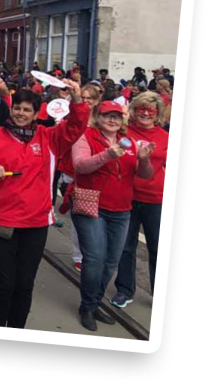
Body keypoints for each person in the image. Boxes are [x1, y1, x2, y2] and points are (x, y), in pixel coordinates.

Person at [0, 86, 90, 329]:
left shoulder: (49, 137)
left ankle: (16, 331)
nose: (20, 113)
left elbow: (77, 126)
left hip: (36, 223)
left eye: (27, 110)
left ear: (36, 114)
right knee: (4, 283)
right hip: (0, 220)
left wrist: (77, 99)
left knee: (24, 284)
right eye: (17, 108)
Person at [70, 97, 156, 331]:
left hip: (121, 209)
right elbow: (80, 165)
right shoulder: (85, 137)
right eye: (107, 115)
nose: (111, 120)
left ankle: (94, 302)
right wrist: (108, 154)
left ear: (122, 120)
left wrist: (145, 159)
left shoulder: (130, 142)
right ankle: (87, 306)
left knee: (111, 261)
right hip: (92, 205)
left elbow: (145, 174)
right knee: (95, 259)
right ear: (98, 117)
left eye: (116, 116)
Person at [113, 90, 168, 309]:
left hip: (156, 198)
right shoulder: (123, 132)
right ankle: (124, 290)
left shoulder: (166, 137)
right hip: (126, 196)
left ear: (157, 114)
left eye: (150, 111)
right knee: (126, 247)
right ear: (134, 111)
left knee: (157, 248)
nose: (145, 114)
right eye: (141, 110)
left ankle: (160, 294)